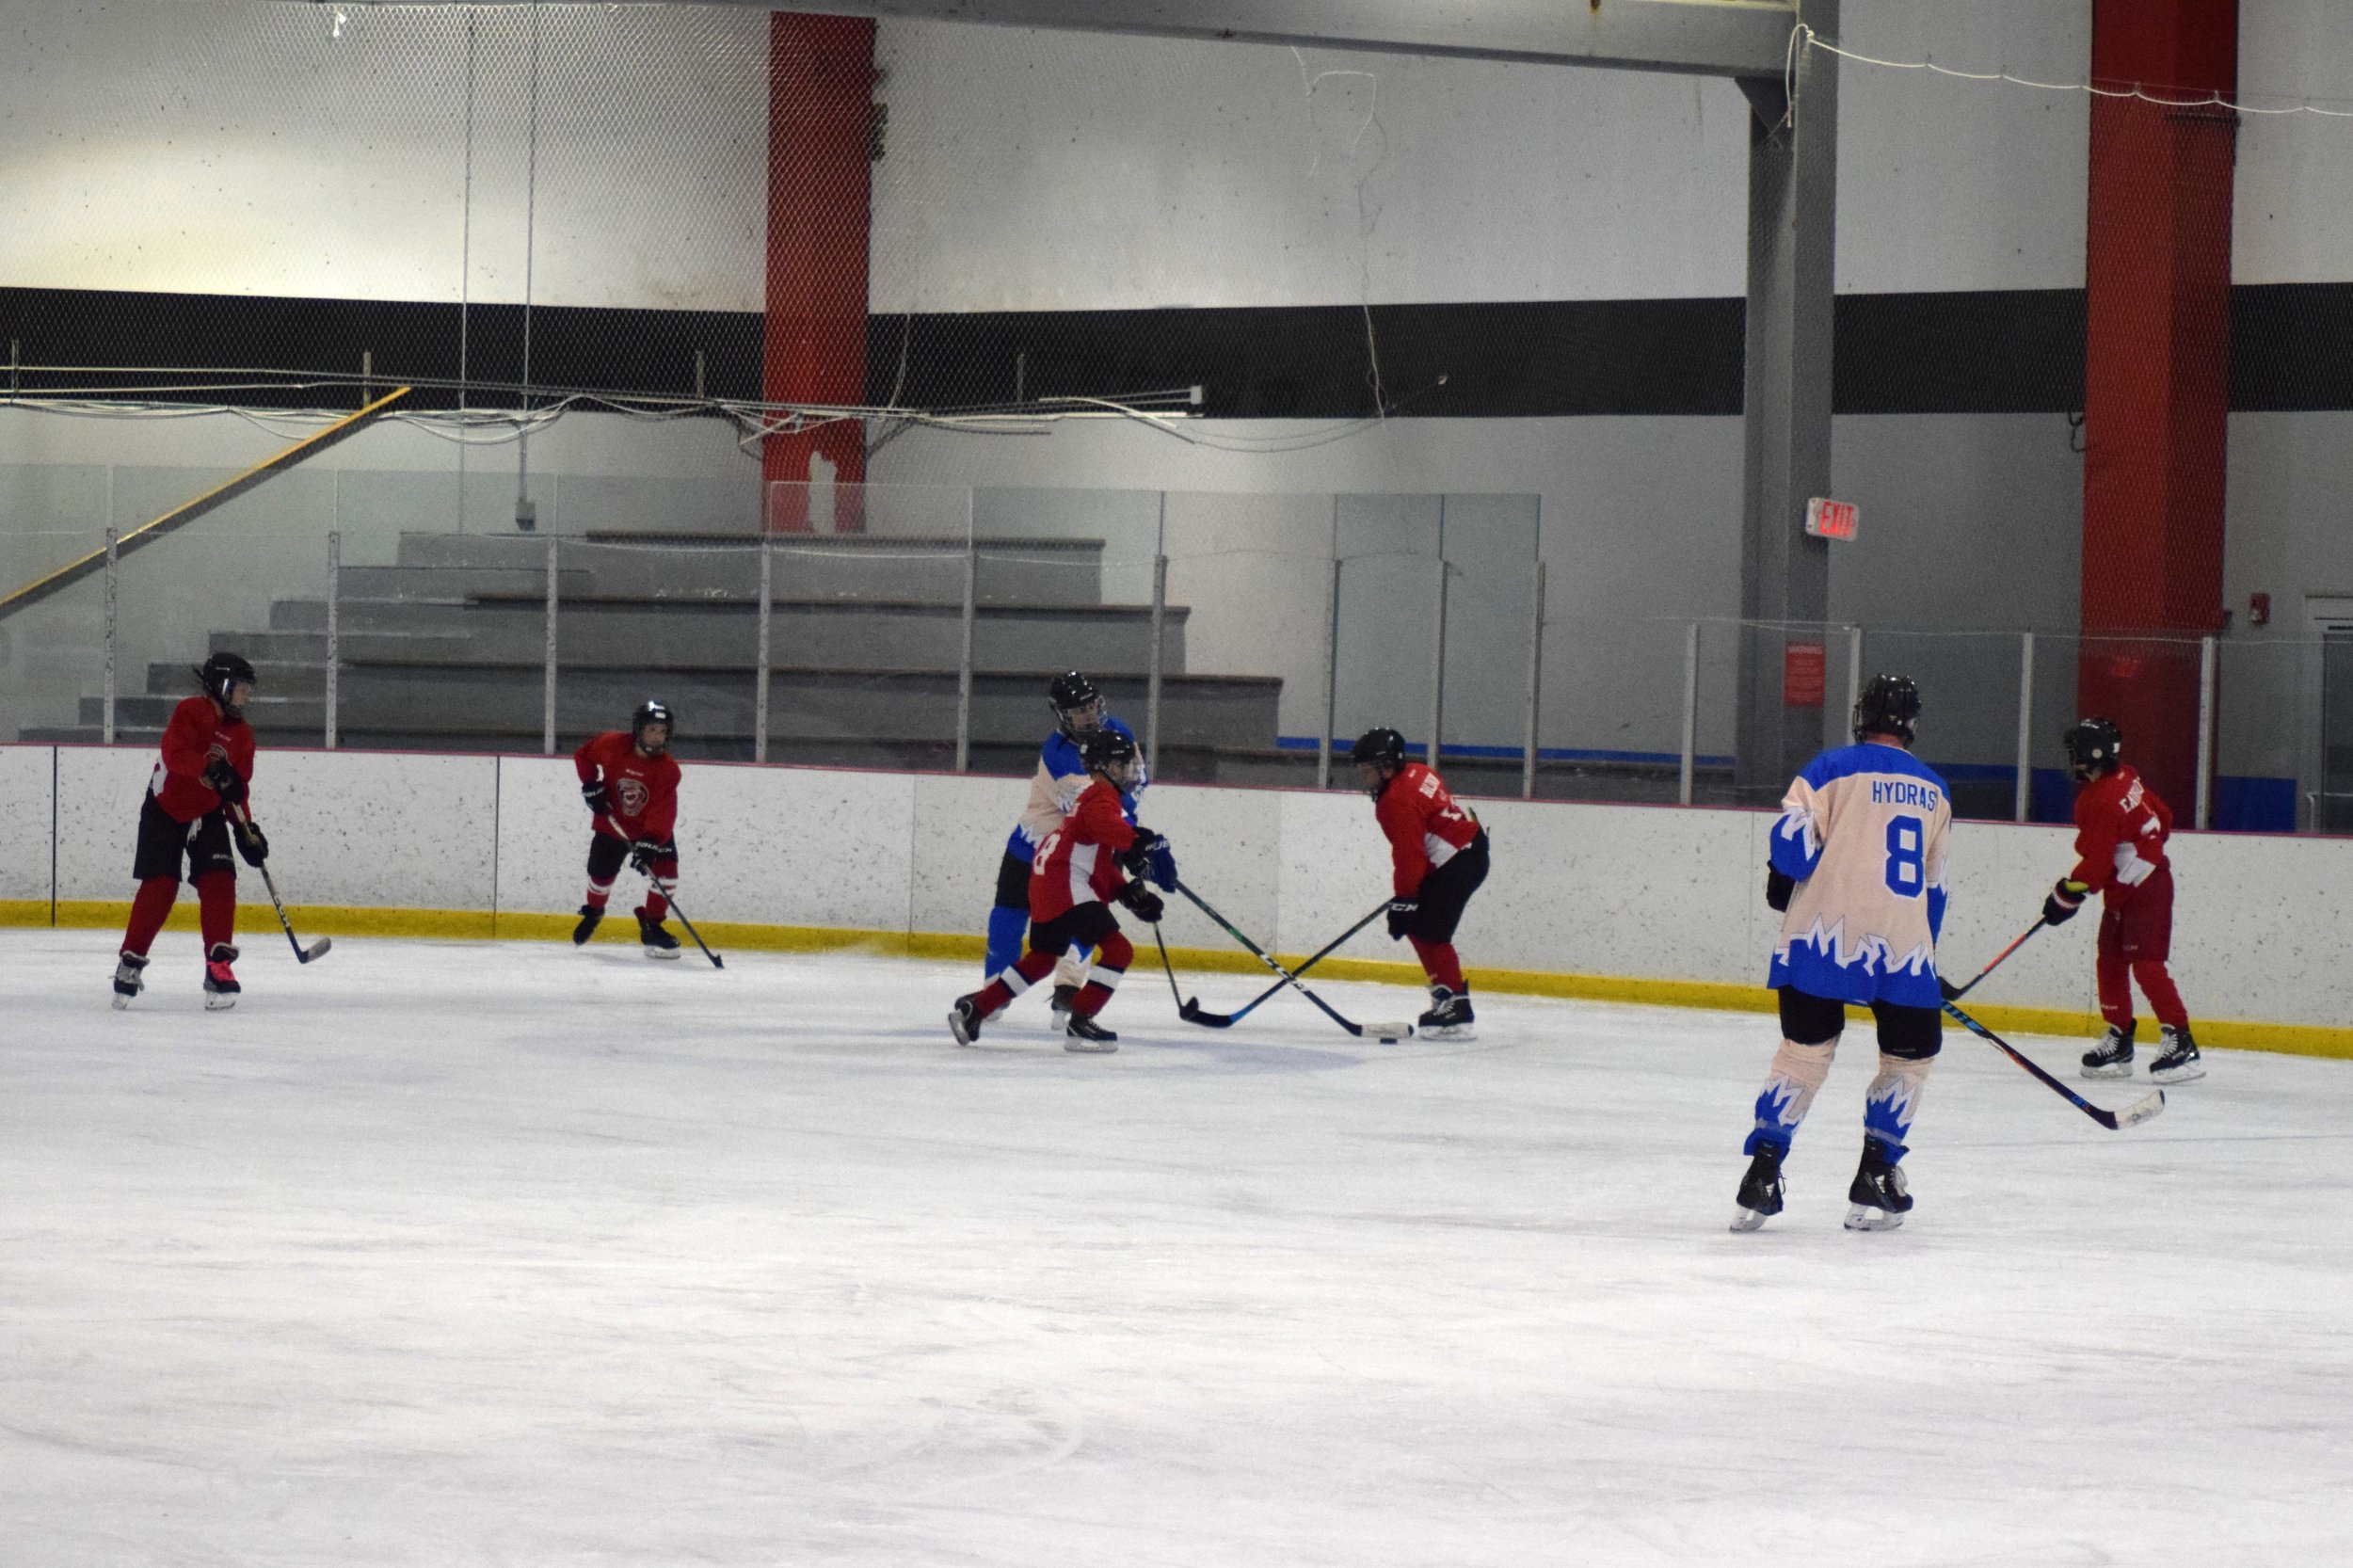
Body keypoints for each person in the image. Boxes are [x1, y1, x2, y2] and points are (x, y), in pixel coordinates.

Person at [1734, 674, 1951, 1234]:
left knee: (1802, 1055)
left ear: (1861, 716)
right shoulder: (1935, 790)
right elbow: (1933, 888)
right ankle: (1876, 1174)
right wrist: (1926, 959)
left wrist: (1781, 874)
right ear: (1912, 723)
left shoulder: (1826, 769)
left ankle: (1761, 1176)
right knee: (1908, 1058)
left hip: (1820, 937)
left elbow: (1792, 854)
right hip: (1903, 949)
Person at [952, 729, 1168, 1053]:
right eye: (1123, 765)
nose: (1129, 771)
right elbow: (1105, 826)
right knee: (1119, 951)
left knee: (1041, 959)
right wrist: (1136, 841)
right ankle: (1081, 1020)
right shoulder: (1100, 797)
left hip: (1048, 883)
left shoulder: (1094, 797)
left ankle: (977, 1008)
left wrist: (1128, 894)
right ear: (1106, 767)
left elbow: (1097, 862)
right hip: (1065, 885)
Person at [984, 671, 1172, 1012]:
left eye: (1091, 706)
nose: (1088, 715)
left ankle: (1068, 990)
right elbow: (1089, 810)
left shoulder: (1119, 731)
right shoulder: (1057, 754)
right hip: (1035, 845)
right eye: (1078, 710)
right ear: (1062, 715)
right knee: (1007, 921)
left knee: (1088, 922)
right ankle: (992, 995)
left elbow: (1135, 781)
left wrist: (1133, 840)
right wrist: (1132, 840)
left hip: (1086, 850)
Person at [2046, 717, 2203, 1084]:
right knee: (2111, 959)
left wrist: (2065, 894)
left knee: (2147, 965)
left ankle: (2181, 1041)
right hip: (2127, 887)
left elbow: (2097, 864)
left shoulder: (2098, 800)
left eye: (2075, 752)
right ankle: (2119, 1039)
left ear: (2093, 754)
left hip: (2147, 888)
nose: (2071, 759)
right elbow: (2163, 816)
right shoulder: (2126, 776)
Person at [113, 651, 270, 1010]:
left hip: (208, 812)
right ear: (220, 687)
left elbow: (235, 791)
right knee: (161, 885)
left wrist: (245, 828)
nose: (245, 697)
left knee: (220, 879)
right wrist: (209, 769)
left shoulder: (243, 736)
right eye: (240, 689)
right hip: (164, 807)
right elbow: (175, 754)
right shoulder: (190, 711)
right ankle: (130, 962)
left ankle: (218, 966)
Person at [1352, 728, 1489, 1041]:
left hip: (1458, 861)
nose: (1364, 777)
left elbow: (1409, 854)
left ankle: (1455, 1007)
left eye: (1368, 770)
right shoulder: (1418, 771)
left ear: (1387, 766)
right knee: (1423, 927)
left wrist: (1405, 898)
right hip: (1468, 852)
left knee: (1429, 931)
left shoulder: (1394, 800)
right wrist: (1410, 898)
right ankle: (1449, 998)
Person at [571, 699, 685, 958]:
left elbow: (664, 810)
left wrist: (651, 841)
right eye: (652, 730)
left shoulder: (668, 769)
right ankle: (594, 911)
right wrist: (591, 784)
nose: (657, 737)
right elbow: (583, 755)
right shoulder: (612, 744)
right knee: (599, 878)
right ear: (639, 729)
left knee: (667, 875)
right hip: (612, 823)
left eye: (662, 731)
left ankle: (652, 926)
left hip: (649, 830)